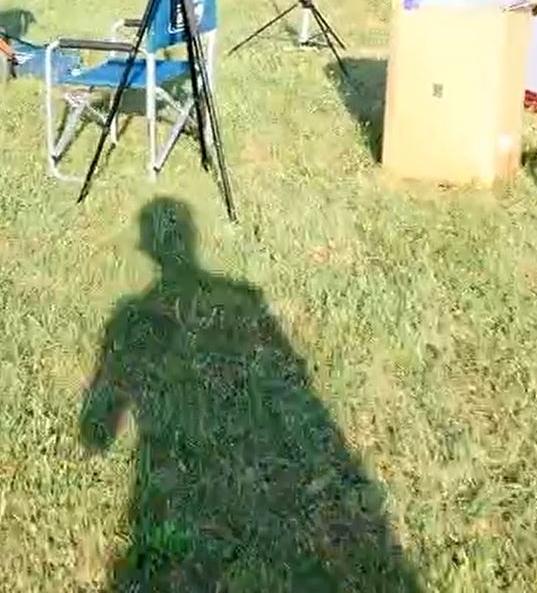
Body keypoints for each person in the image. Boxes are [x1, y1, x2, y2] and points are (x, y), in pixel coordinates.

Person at [80, 199, 416, 590]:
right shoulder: (245, 300)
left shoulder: (131, 318)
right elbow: (289, 379)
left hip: (173, 492)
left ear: (148, 247)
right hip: (259, 488)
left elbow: (95, 431)